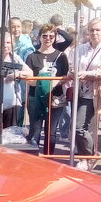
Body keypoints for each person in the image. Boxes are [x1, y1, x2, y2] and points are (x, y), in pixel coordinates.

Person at [69, 17, 101, 165]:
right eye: (91, 30)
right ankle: (85, 157)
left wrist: (89, 74)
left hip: (96, 93)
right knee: (79, 127)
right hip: (79, 91)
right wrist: (74, 72)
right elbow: (73, 64)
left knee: (79, 127)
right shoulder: (82, 48)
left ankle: (90, 156)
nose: (94, 33)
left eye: (98, 30)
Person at [25, 23, 72, 152]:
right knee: (35, 131)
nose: (48, 39)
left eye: (51, 36)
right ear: (40, 37)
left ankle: (49, 158)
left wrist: (53, 83)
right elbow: (28, 79)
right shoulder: (32, 56)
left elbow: (65, 77)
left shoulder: (61, 56)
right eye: (45, 36)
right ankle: (33, 160)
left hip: (55, 97)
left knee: (51, 132)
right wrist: (42, 83)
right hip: (36, 97)